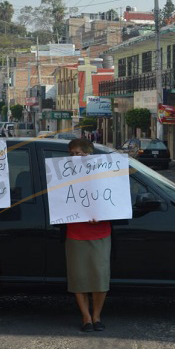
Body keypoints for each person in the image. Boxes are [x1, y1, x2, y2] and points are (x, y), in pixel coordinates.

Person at [64, 138, 113, 332]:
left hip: (100, 232)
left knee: (100, 277)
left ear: (89, 155)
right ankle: (86, 317)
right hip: (75, 232)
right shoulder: (64, 174)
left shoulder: (104, 173)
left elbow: (113, 199)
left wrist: (102, 215)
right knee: (79, 277)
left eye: (80, 154)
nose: (76, 158)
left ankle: (97, 316)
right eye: (72, 154)